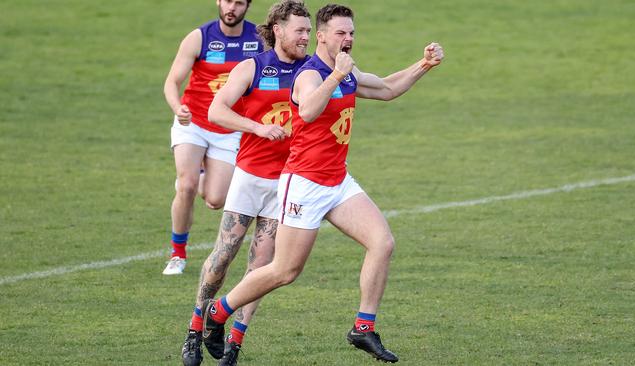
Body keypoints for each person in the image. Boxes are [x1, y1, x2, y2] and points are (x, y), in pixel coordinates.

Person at [199, 3, 445, 364]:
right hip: (305, 184)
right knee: (285, 271)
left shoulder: (348, 71)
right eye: (342, 33)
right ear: (323, 36)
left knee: (382, 242)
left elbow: (388, 88)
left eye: (352, 33)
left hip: (338, 181)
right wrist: (335, 75)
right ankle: (218, 311)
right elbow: (308, 110)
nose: (349, 39)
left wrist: (423, 64)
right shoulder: (310, 75)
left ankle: (363, 328)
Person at [180, 1, 312, 365]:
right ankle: (195, 329)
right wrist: (257, 127)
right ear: (279, 30)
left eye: (308, 31)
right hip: (251, 176)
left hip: (287, 182)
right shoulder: (253, 67)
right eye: (299, 30)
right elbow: (215, 110)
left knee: (263, 268)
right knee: (223, 257)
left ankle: (234, 345)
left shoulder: (312, 70)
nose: (306, 37)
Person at [163, 0, 263, 275]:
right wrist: (177, 109)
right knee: (186, 185)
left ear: (247, 6)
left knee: (215, 200)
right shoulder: (200, 38)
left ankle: (202, 172)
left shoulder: (258, 39)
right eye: (227, 0)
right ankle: (177, 254)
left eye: (239, 3)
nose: (232, 8)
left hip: (230, 128)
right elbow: (172, 82)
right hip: (193, 121)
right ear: (218, 2)